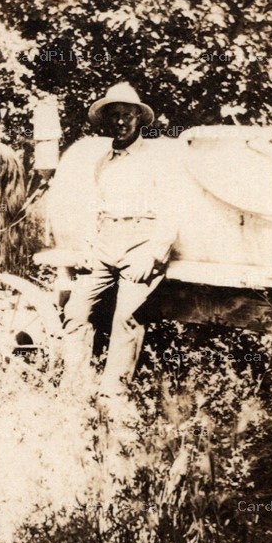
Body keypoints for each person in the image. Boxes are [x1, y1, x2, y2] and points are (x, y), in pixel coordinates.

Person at [61, 83, 176, 403]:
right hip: (104, 244)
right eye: (114, 116)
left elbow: (173, 211)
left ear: (138, 118)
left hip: (140, 244)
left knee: (127, 316)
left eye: (127, 115)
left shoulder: (154, 160)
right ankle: (74, 387)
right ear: (106, 120)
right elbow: (95, 209)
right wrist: (87, 247)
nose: (121, 122)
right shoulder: (103, 162)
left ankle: (113, 394)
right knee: (76, 310)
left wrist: (152, 255)